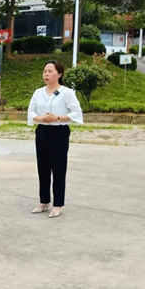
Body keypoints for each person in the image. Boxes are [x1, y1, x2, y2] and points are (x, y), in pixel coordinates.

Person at [27, 60, 83, 218]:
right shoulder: (38, 92)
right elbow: (31, 112)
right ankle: (44, 201)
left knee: (58, 169)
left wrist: (57, 118)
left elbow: (76, 113)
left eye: (50, 71)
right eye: (45, 71)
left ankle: (58, 204)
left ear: (59, 74)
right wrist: (41, 118)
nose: (46, 74)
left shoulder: (67, 92)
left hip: (59, 133)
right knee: (42, 168)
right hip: (42, 131)